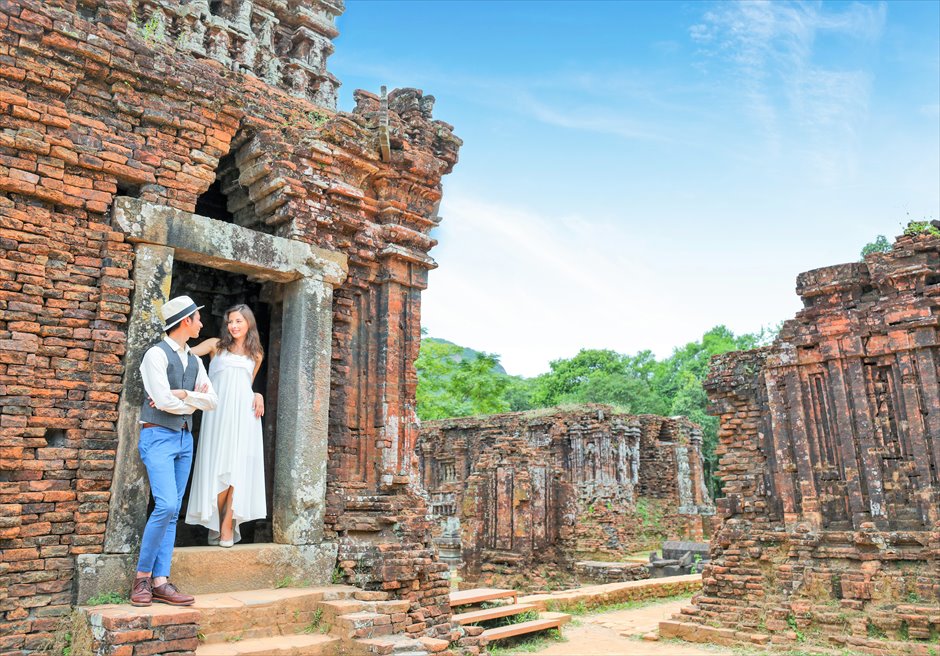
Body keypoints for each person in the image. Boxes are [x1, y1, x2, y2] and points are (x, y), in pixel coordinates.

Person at [131, 295, 218, 607]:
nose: (202, 323)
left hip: (184, 440)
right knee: (166, 505)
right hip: (157, 436)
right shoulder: (155, 356)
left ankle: (160, 581)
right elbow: (162, 401)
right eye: (198, 318)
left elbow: (213, 402)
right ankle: (141, 578)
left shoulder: (196, 361)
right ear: (186, 321)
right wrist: (192, 400)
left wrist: (182, 395)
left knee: (172, 512)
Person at [185, 304, 266, 548]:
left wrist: (258, 394)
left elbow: (245, 386)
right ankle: (216, 519)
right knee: (220, 466)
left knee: (238, 468)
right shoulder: (214, 345)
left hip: (245, 415)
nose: (234, 326)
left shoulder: (256, 354)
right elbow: (183, 353)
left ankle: (227, 524)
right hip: (218, 413)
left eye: (239, 321)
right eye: (230, 321)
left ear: (248, 323)